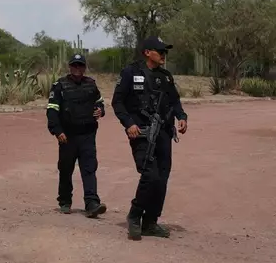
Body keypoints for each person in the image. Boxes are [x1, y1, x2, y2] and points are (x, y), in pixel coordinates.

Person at [111, 36, 188, 241]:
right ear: (147, 52)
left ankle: (151, 222)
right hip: (141, 133)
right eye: (159, 51)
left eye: (165, 51)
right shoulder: (130, 72)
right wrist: (129, 124)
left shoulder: (166, 76)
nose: (163, 55)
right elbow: (117, 102)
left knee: (162, 178)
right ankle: (135, 216)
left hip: (164, 132)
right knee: (150, 175)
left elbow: (175, 100)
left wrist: (182, 117)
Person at [46, 53, 108, 218]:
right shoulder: (59, 86)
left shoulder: (91, 84)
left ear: (84, 67)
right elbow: (52, 110)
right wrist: (57, 131)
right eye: (75, 65)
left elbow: (100, 103)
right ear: (70, 67)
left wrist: (100, 110)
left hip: (88, 134)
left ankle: (92, 203)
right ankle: (65, 201)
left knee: (89, 169)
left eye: (80, 65)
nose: (78, 68)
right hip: (67, 136)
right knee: (66, 169)